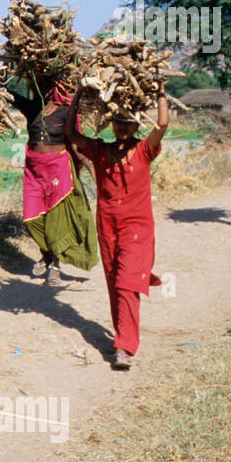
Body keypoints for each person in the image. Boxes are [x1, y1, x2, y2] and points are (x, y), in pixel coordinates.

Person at [64, 92, 170, 371]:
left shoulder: (145, 150)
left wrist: (159, 93)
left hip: (137, 227)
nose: (122, 128)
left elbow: (162, 125)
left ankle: (124, 345)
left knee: (126, 281)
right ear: (111, 124)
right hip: (108, 226)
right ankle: (124, 334)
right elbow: (70, 134)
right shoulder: (100, 150)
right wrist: (77, 97)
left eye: (128, 123)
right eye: (118, 123)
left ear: (136, 126)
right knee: (114, 283)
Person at [8, 78, 98, 284]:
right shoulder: (33, 107)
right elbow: (12, 96)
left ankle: (55, 267)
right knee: (30, 218)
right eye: (44, 85)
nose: (48, 90)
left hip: (58, 168)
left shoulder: (67, 111)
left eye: (52, 85)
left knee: (56, 221)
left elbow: (73, 143)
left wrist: (90, 166)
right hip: (33, 169)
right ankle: (48, 254)